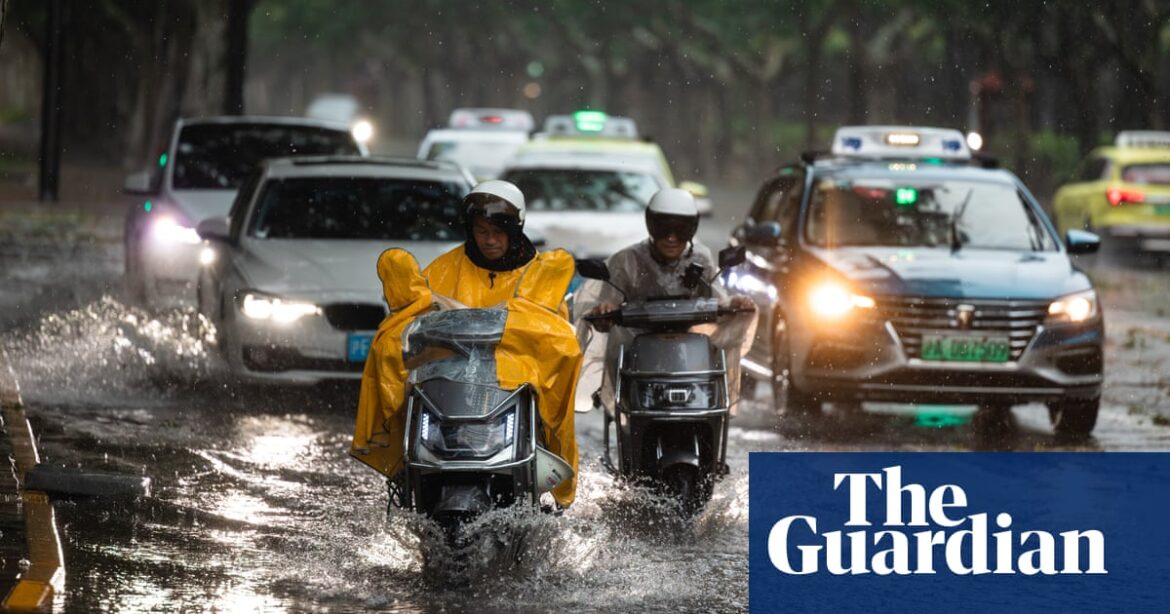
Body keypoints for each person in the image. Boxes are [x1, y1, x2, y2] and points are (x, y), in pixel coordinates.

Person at [352, 180, 582, 508]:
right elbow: (411, 321)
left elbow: (555, 338)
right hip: (448, 393)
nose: (489, 240)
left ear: (517, 228)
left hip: (513, 393)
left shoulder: (539, 275)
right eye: (481, 230)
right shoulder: (442, 270)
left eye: (498, 231)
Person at [577, 187, 756, 410]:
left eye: (680, 229)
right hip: (637, 353)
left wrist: (735, 304)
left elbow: (717, 297)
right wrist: (604, 311)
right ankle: (628, 411)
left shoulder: (701, 258)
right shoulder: (626, 260)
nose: (671, 238)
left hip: (691, 354)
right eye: (663, 228)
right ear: (651, 225)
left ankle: (713, 410)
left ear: (692, 228)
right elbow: (606, 304)